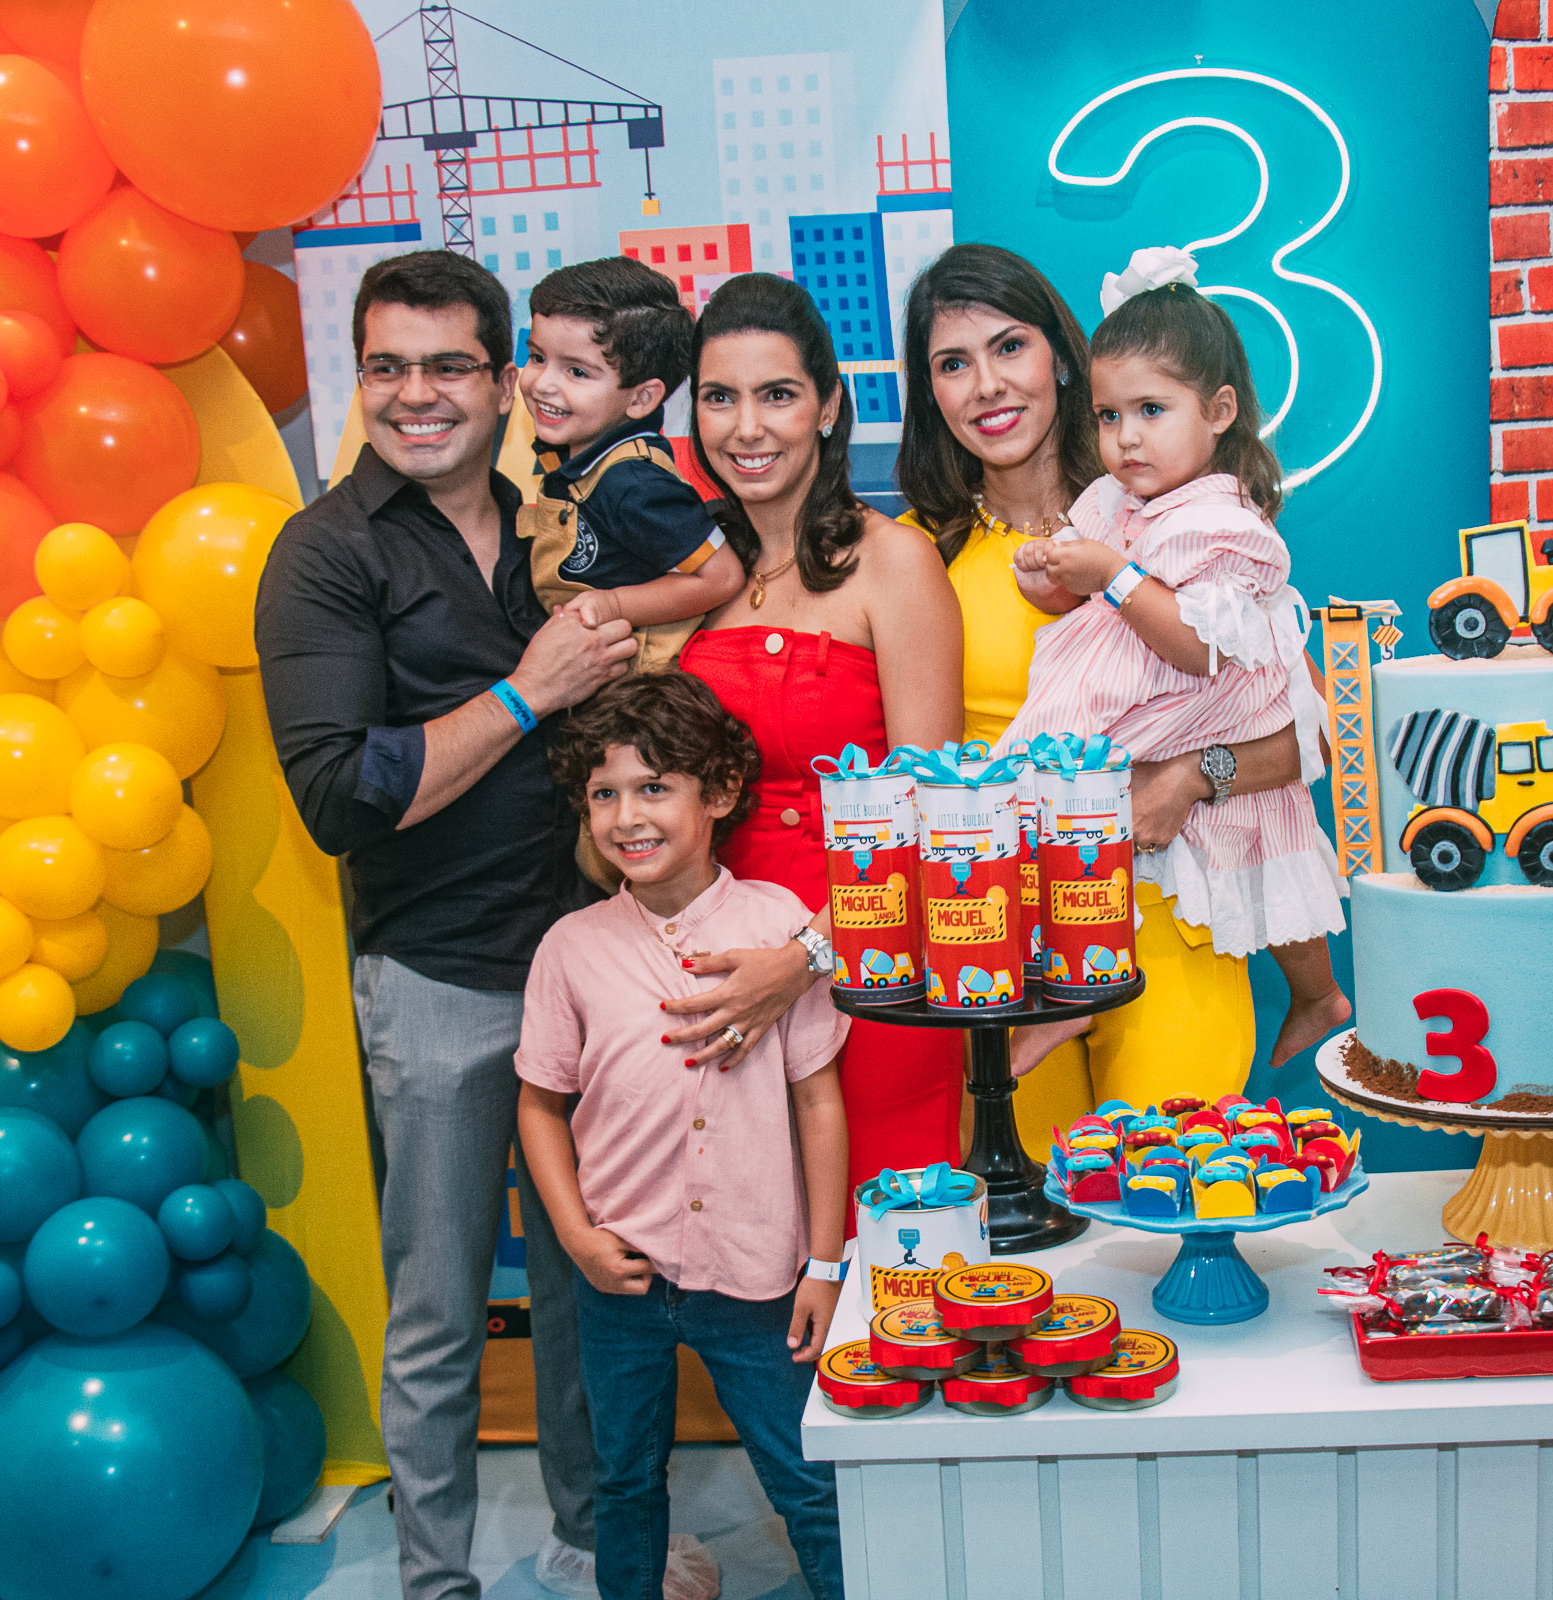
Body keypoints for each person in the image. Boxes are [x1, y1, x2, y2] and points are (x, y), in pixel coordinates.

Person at [252, 250, 702, 1600]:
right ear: (360, 380)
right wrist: (524, 692)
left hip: (590, 970)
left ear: (504, 382)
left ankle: (589, 1533)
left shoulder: (559, 518)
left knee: (587, 1288)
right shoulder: (326, 552)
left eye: (449, 365)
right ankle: (434, 1580)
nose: (417, 394)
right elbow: (342, 797)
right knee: (444, 1311)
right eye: (387, 366)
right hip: (439, 980)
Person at [895, 243, 1317, 1152]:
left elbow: (1299, 740)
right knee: (1036, 1214)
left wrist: (1187, 779)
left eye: (1009, 347)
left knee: (1172, 1187)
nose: (985, 386)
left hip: (1173, 920)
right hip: (1007, 946)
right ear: (929, 392)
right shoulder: (915, 554)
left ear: (1062, 356)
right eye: (952, 364)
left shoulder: (1179, 521)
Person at [518, 672, 849, 1600]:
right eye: (604, 793)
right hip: (620, 1276)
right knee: (624, 1482)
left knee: (809, 1484)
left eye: (655, 786)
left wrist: (825, 1266)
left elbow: (818, 1102)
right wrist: (577, 1236)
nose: (628, 816)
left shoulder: (780, 931)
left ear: (722, 793)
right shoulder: (570, 948)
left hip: (757, 1273)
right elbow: (539, 1106)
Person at [1001, 252, 1350, 1072]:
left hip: (1204, 705)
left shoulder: (1223, 522)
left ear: (1219, 410)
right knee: (1064, 827)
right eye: (1108, 415)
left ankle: (1318, 995)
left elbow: (1197, 647)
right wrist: (1050, 575)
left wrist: (1112, 575)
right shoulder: (1113, 501)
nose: (1126, 438)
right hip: (1143, 709)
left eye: (1151, 410)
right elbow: (1072, 592)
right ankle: (1071, 993)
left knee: (1265, 857)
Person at [662, 272, 970, 1198]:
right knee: (745, 1251)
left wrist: (800, 963)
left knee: (885, 1246)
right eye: (720, 398)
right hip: (717, 979)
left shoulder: (894, 561)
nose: (746, 428)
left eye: (778, 395)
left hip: (864, 968)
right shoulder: (687, 575)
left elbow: (934, 809)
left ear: (829, 406)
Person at [518, 256, 746, 674]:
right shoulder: (578, 456)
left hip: (638, 689)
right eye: (536, 357)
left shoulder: (634, 482)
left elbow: (723, 577)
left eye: (576, 372)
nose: (543, 384)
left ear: (641, 399)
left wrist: (614, 604)